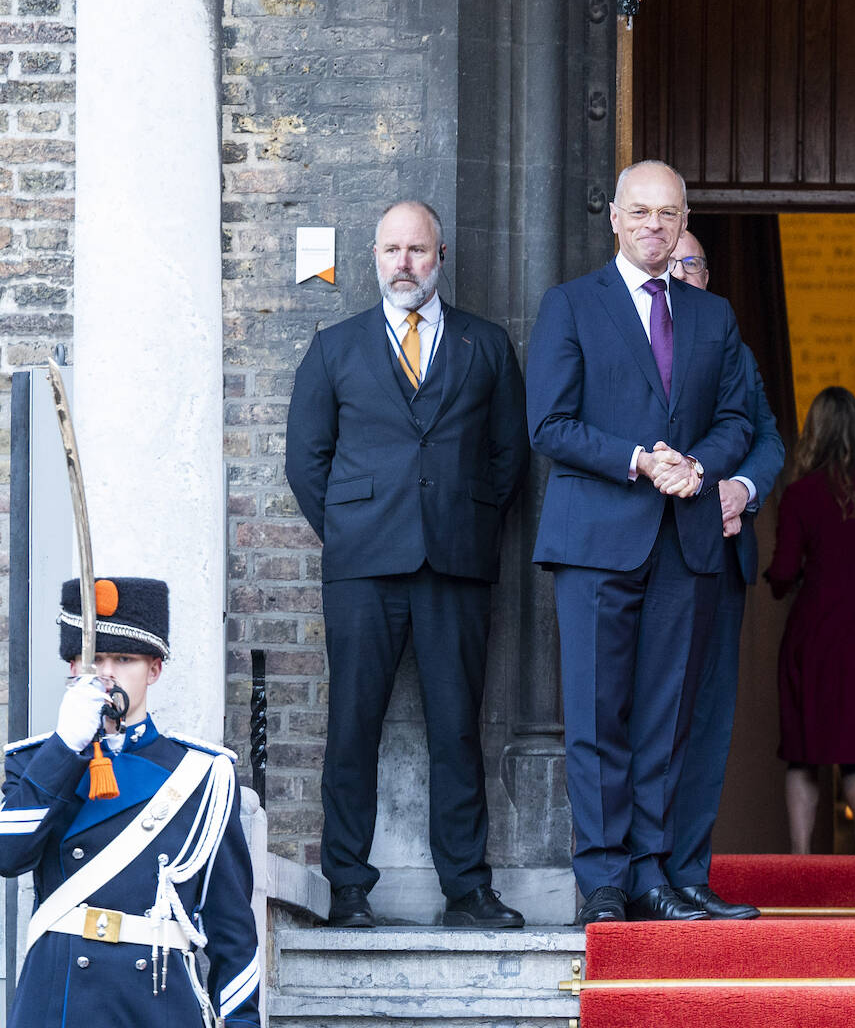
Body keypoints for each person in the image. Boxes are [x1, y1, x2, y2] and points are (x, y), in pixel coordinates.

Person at [285, 199, 530, 930]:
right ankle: (347, 887)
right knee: (352, 726)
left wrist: (467, 519)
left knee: (458, 728)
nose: (404, 263)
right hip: (363, 565)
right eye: (392, 250)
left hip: (455, 560)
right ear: (374, 257)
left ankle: (467, 889)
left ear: (440, 256)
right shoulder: (334, 348)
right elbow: (306, 462)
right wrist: (350, 530)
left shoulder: (487, 346)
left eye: (417, 250)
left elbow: (509, 456)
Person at [526, 159, 753, 925]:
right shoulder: (570, 305)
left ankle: (652, 872)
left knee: (665, 718)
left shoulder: (712, 316)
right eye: (641, 211)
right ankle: (603, 881)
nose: (655, 225)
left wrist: (699, 465)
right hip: (595, 540)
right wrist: (638, 460)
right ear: (615, 218)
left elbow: (738, 420)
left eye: (669, 213)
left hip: (684, 541)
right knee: (597, 718)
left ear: (684, 222)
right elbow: (548, 423)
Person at [2, 577, 260, 1026]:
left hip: (156, 1002)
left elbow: (232, 931)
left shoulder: (203, 775)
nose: (107, 674)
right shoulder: (35, 762)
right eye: (94, 660)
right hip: (59, 1002)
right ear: (73, 668)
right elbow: (8, 855)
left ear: (153, 670)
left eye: (124, 659)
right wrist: (65, 748)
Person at [662, 228, 785, 920]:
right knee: (650, 719)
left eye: (694, 264)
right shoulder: (630, 334)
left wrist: (740, 489)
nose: (682, 273)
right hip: (645, 559)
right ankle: (637, 875)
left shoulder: (728, 341)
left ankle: (688, 873)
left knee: (708, 723)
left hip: (720, 556)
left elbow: (767, 439)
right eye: (671, 263)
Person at [768, 385, 855, 855]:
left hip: (816, 633)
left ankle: (801, 858)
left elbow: (784, 572)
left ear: (814, 432)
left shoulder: (800, 494)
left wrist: (779, 578)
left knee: (803, 752)